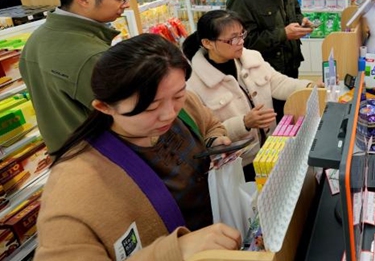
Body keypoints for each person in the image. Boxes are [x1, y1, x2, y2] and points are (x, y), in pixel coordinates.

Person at [35, 34, 242, 261]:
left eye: (178, 95)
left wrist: (214, 141)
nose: (169, 113)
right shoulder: (75, 186)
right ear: (104, 107)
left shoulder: (185, 106)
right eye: (150, 107)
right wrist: (176, 250)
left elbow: (211, 124)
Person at [183, 10, 319, 181]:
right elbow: (206, 134)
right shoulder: (193, 85)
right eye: (232, 39)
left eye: (242, 35)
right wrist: (244, 123)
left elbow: (277, 82)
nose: (241, 42)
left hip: (271, 150)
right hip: (240, 166)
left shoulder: (251, 57)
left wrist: (309, 86)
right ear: (207, 43)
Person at [19, 0, 138, 152]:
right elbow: (131, 119)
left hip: (66, 152)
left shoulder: (37, 38)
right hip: (101, 158)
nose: (125, 5)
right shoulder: (93, 56)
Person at [226, 0, 314, 120]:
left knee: (293, 113)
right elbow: (243, 43)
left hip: (291, 64)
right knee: (276, 120)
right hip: (264, 75)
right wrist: (283, 34)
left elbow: (295, 12)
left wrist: (302, 21)